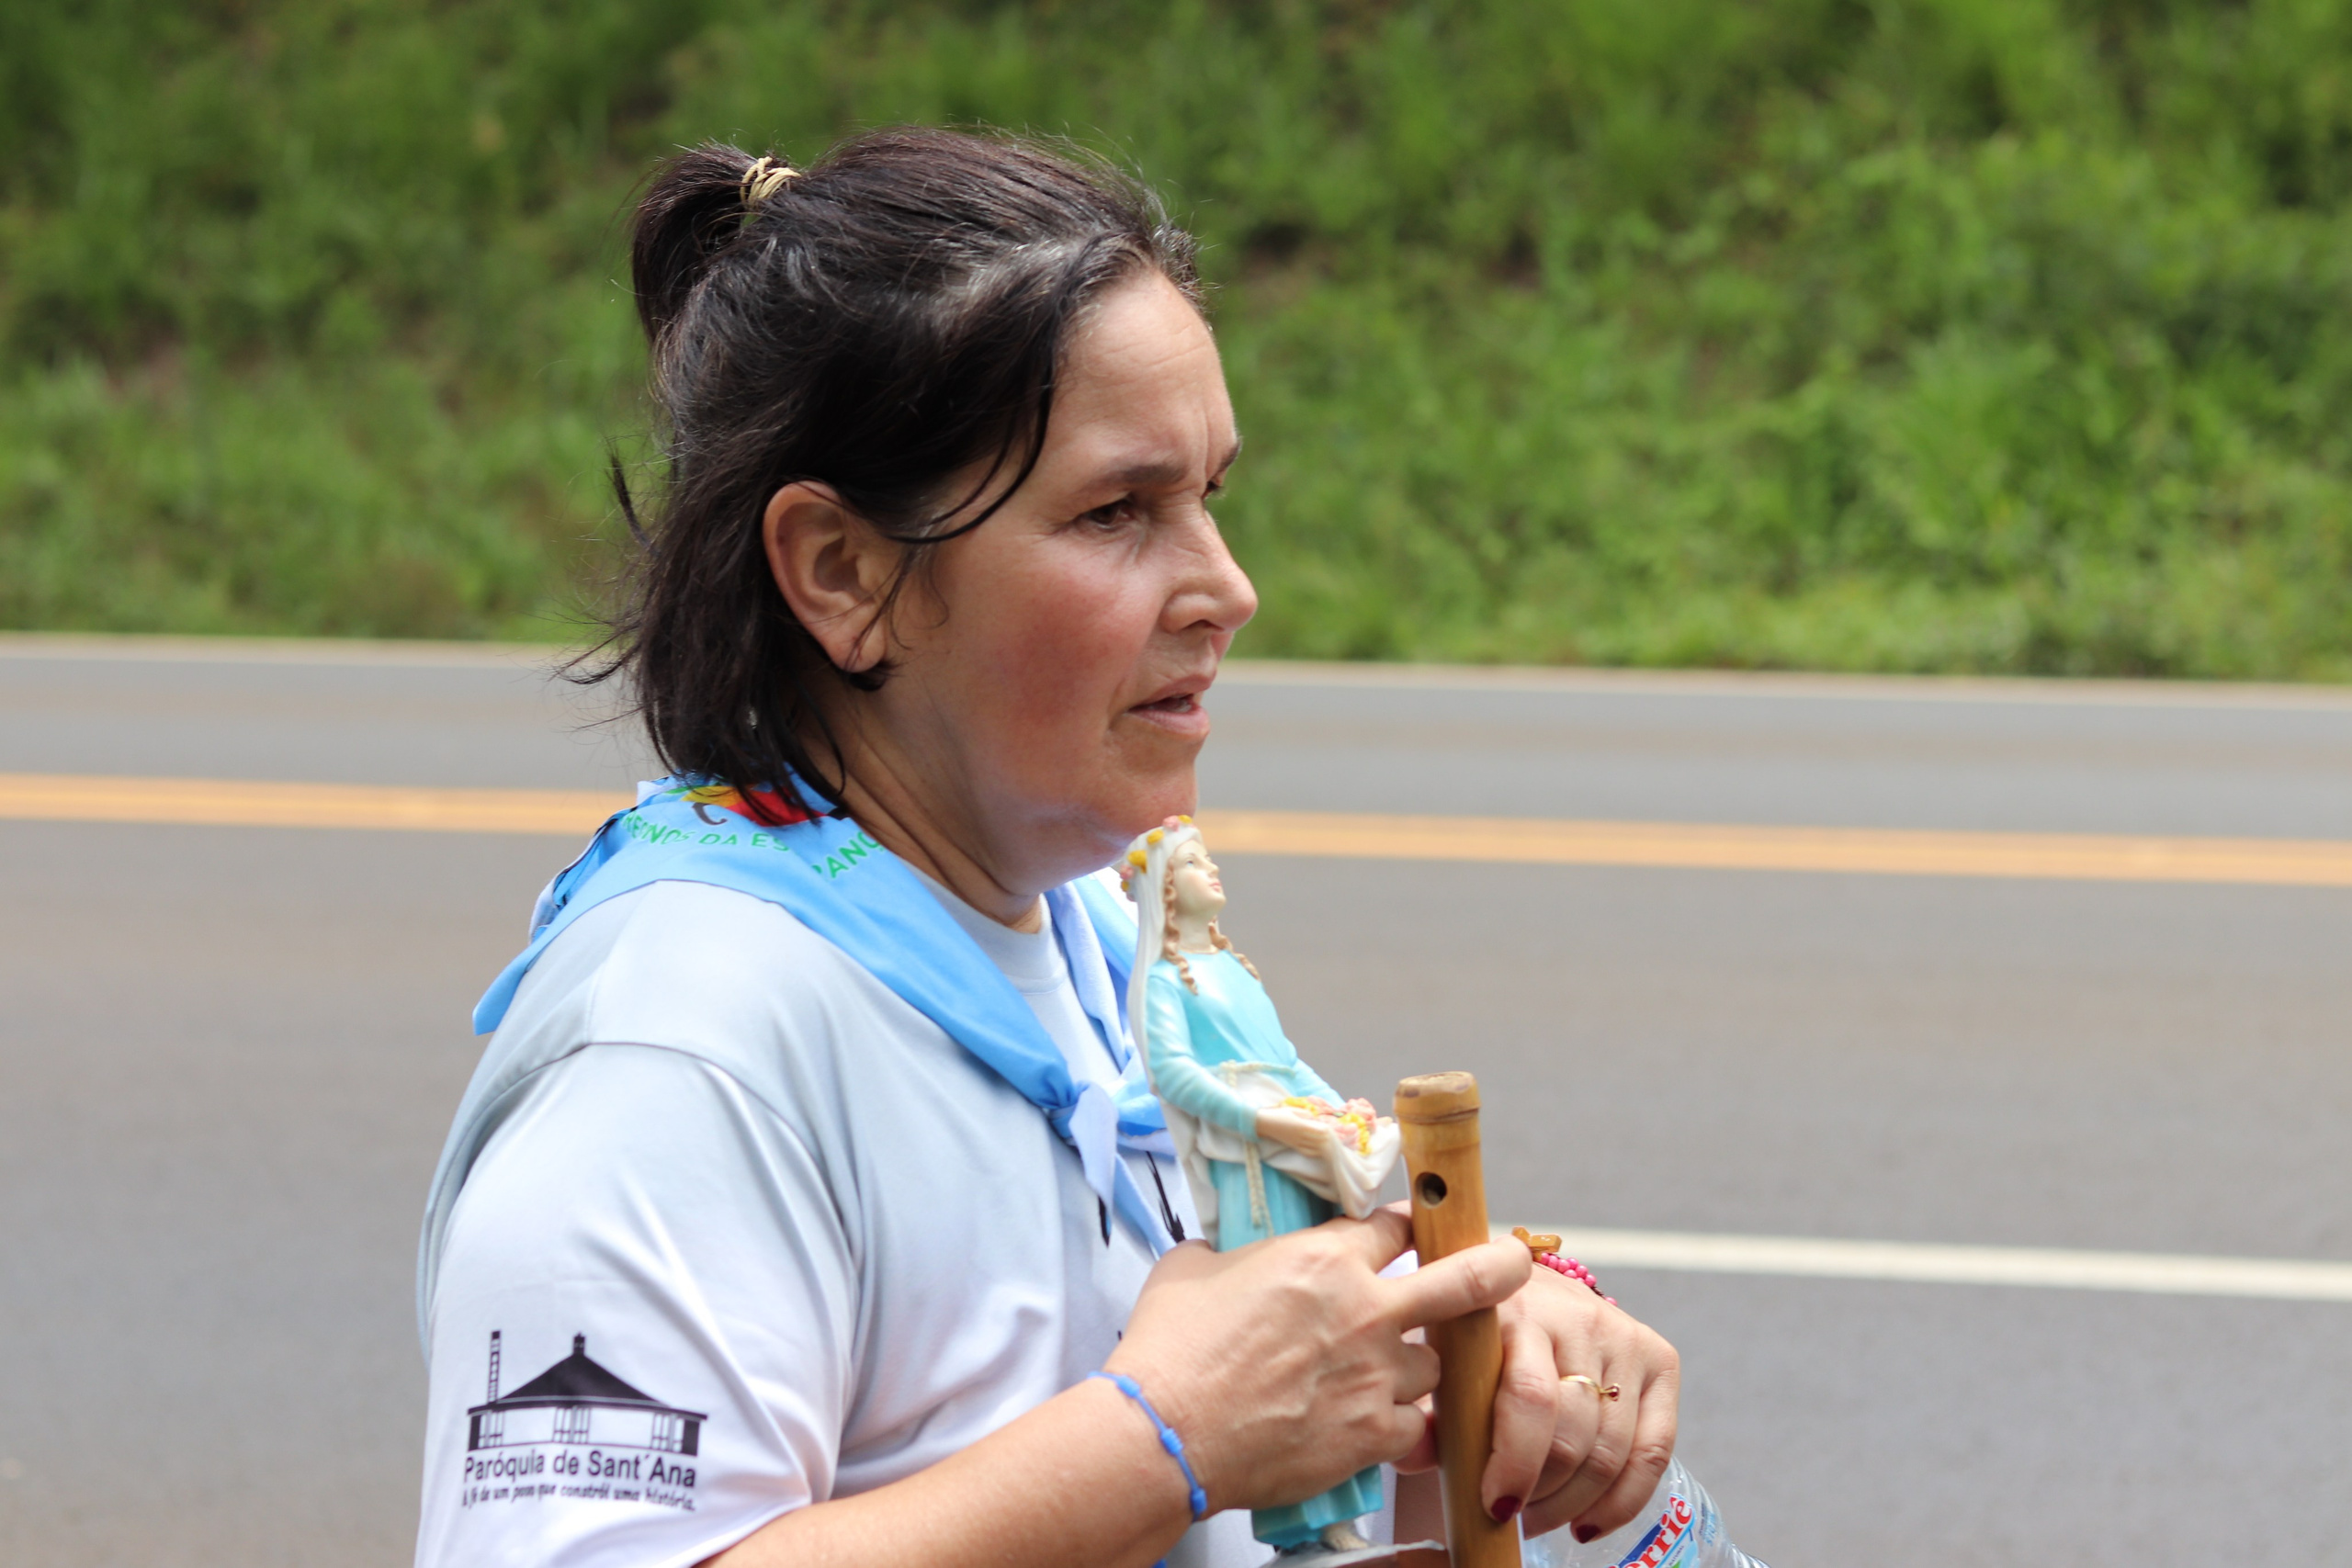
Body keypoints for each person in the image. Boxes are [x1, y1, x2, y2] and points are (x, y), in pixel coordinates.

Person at [413, 128, 1680, 1568]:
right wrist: (1164, 1432)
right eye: (1117, 511)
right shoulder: (680, 1051)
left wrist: (1508, 1338)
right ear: (844, 573)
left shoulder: (1083, 922)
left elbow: (1284, 1406)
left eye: (1211, 494)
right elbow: (1194, 1416)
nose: (1227, 586)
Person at [1123, 818, 1405, 1556]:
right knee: (1290, 1331)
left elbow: (1285, 1059)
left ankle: (1348, 1505)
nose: (1210, 870)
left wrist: (1338, 1108)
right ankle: (1298, 1521)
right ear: (1161, 888)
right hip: (1250, 1159)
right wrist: (1262, 1120)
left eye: (1208, 858)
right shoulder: (1163, 981)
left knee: (1335, 1324)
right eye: (1192, 864)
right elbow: (1175, 1075)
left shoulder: (1234, 968)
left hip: (1296, 1138)